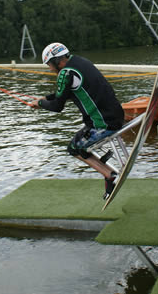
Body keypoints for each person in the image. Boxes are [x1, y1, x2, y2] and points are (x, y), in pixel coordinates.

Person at [30, 42, 124, 199]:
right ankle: (108, 171)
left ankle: (110, 176)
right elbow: (62, 94)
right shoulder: (80, 62)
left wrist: (40, 103)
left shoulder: (65, 73)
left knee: (74, 148)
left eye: (49, 65)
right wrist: (44, 98)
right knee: (81, 143)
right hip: (117, 116)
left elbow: (57, 106)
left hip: (102, 124)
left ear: (56, 61)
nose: (50, 69)